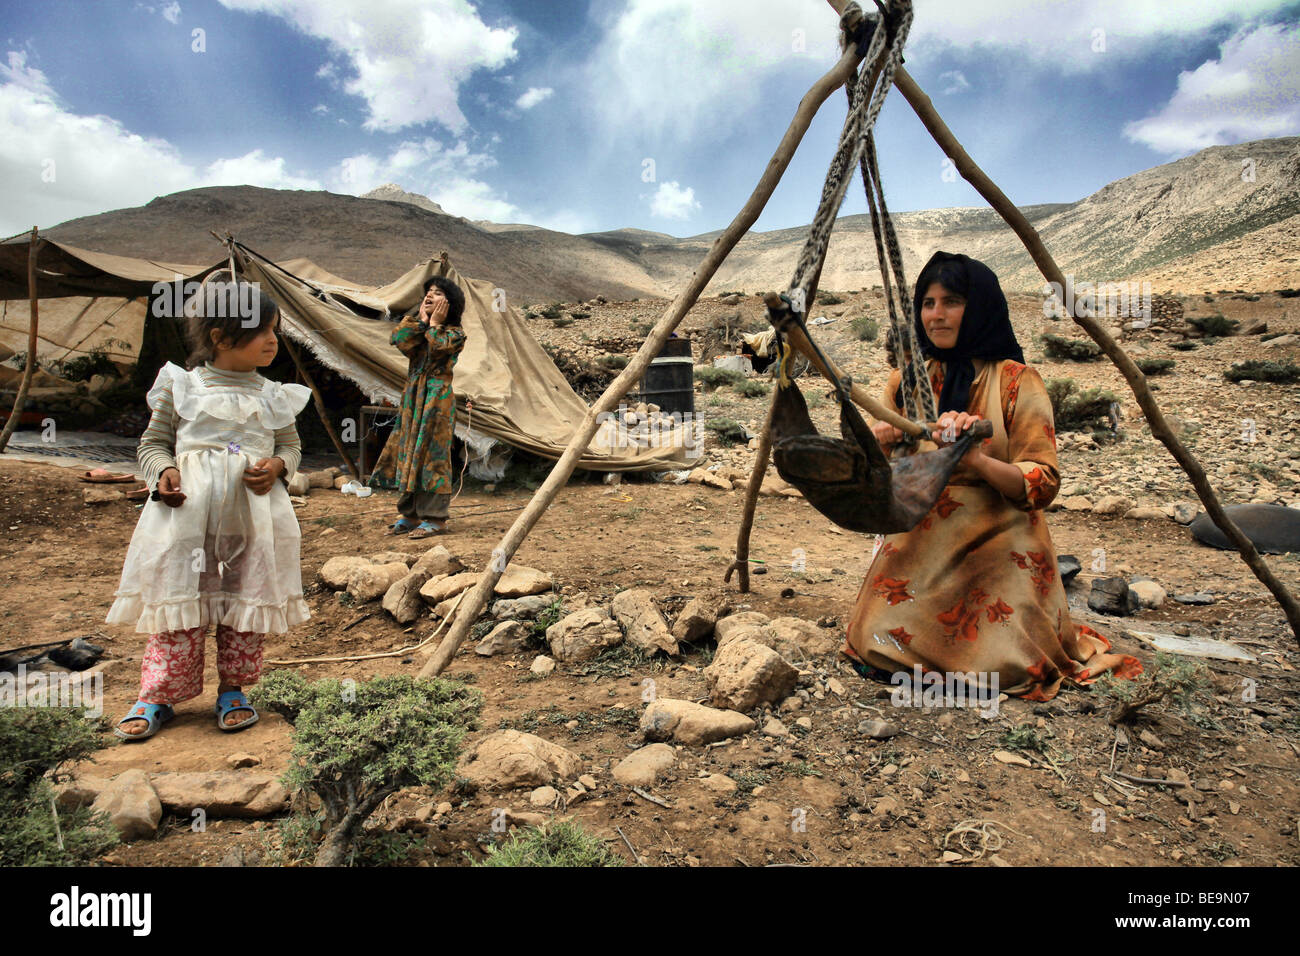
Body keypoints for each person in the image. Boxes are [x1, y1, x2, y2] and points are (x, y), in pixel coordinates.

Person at [842, 251, 1141, 701]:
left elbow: (1043, 480)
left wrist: (978, 462)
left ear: (979, 307)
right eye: (928, 303)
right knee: (875, 642)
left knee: (1002, 663)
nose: (936, 315)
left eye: (951, 302)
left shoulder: (1018, 381)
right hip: (923, 531)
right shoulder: (906, 381)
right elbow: (885, 473)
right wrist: (881, 442)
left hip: (1001, 533)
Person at [108, 273, 312, 739]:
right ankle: (158, 695)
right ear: (220, 338)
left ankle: (233, 690)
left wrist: (279, 466)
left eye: (275, 331)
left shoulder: (274, 395)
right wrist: (162, 472)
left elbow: (291, 445)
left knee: (243, 605)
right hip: (186, 524)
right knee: (179, 603)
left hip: (251, 523)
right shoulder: (181, 385)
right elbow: (153, 443)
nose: (273, 341)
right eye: (263, 331)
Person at [369, 276, 468, 539]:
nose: (430, 296)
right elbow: (398, 339)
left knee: (432, 456)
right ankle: (410, 514)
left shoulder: (455, 334)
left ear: (450, 303)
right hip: (413, 397)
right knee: (408, 451)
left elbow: (439, 346)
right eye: (428, 292)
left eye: (438, 293)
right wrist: (423, 320)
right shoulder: (418, 329)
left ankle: (435, 518)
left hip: (437, 400)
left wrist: (434, 325)